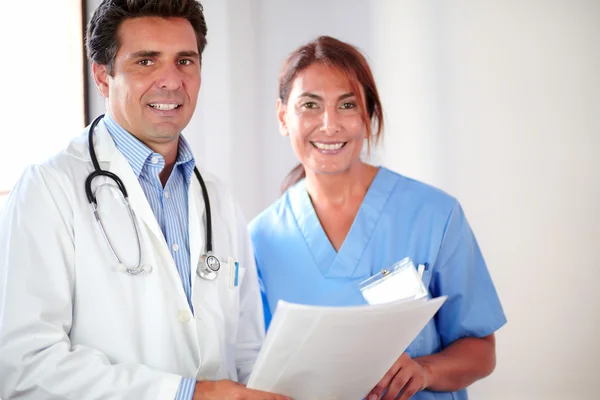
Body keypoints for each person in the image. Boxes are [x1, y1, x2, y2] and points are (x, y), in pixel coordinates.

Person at [0, 1, 290, 399]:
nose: (171, 81)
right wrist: (190, 393)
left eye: (185, 60)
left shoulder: (217, 198)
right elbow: (26, 366)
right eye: (146, 62)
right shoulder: (49, 189)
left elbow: (247, 350)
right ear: (103, 77)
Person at [249, 36, 507, 400]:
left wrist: (425, 370)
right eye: (310, 105)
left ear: (368, 116)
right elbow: (254, 368)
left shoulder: (434, 216)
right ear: (283, 117)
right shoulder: (259, 240)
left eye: (347, 105)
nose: (329, 125)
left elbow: (481, 350)